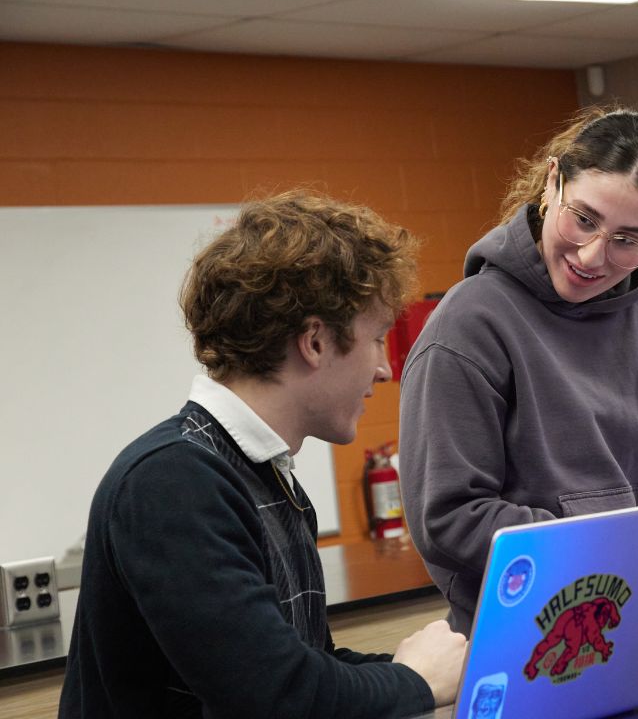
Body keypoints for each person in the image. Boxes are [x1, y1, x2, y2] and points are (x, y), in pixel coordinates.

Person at [60, 191, 467, 718]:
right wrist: (413, 682)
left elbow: (304, 665)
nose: (385, 369)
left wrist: (441, 671)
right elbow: (276, 698)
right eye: (377, 339)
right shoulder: (173, 481)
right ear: (315, 341)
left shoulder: (264, 476)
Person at [398, 107, 638, 635]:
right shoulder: (469, 327)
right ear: (552, 182)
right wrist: (631, 554)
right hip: (525, 646)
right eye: (583, 219)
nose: (591, 254)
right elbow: (451, 520)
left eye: (628, 240)